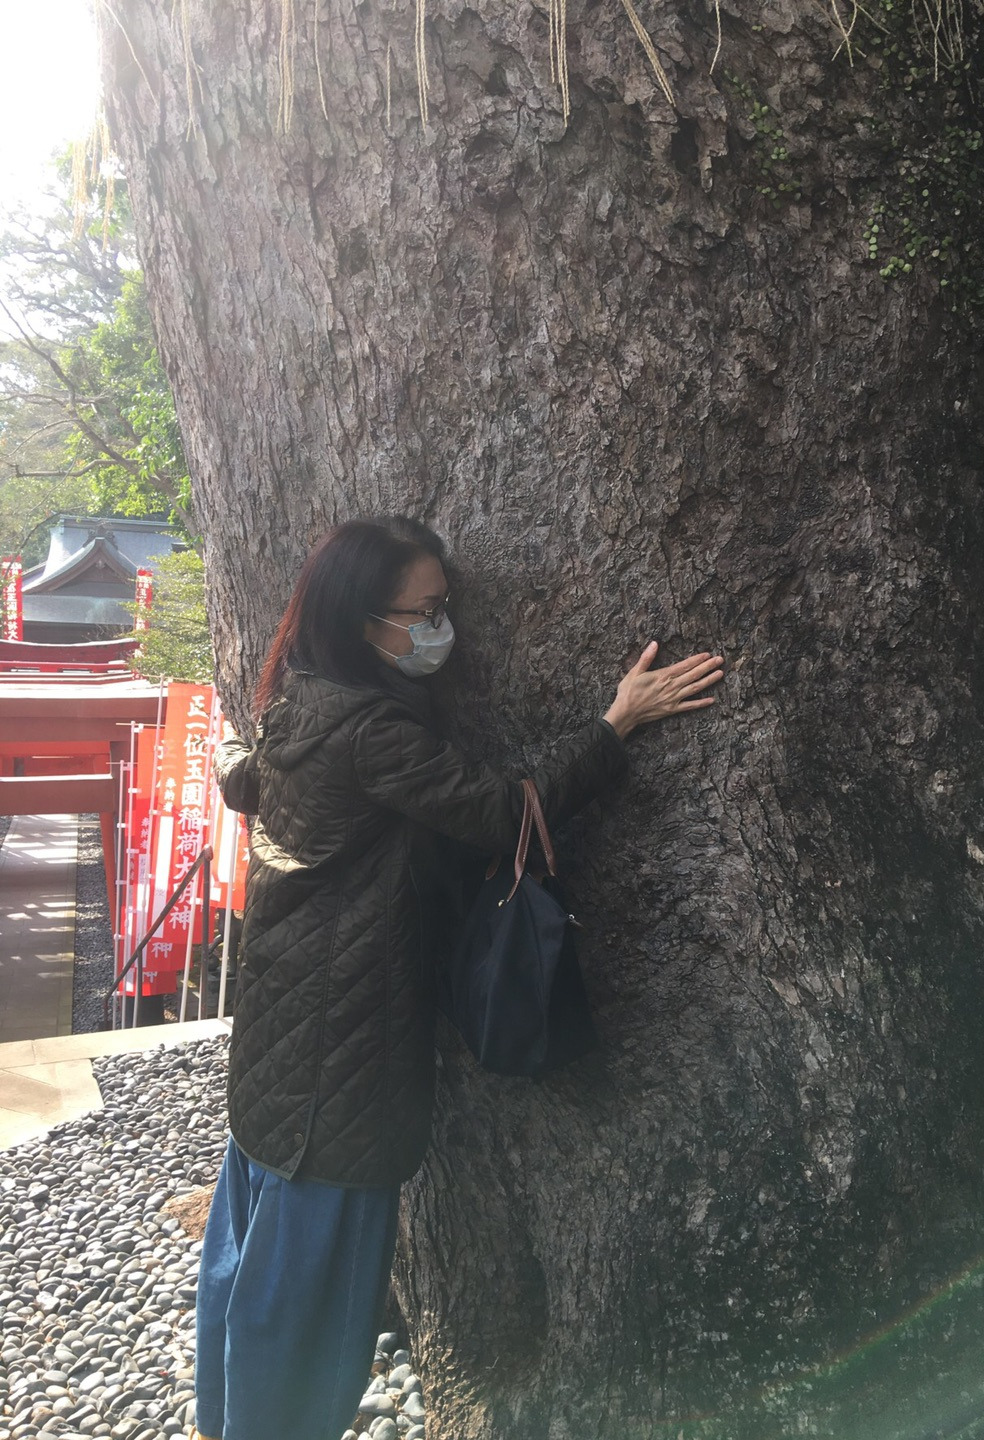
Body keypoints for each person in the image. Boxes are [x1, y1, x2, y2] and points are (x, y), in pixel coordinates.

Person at [193, 516, 724, 1440]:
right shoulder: (368, 731)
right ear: (368, 621)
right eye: (427, 612)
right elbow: (501, 811)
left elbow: (247, 779)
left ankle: (227, 1419)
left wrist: (229, 757)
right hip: (342, 1071)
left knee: (250, 1269)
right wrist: (616, 723)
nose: (445, 629)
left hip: (277, 1046)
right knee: (310, 1310)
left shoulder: (299, 704)